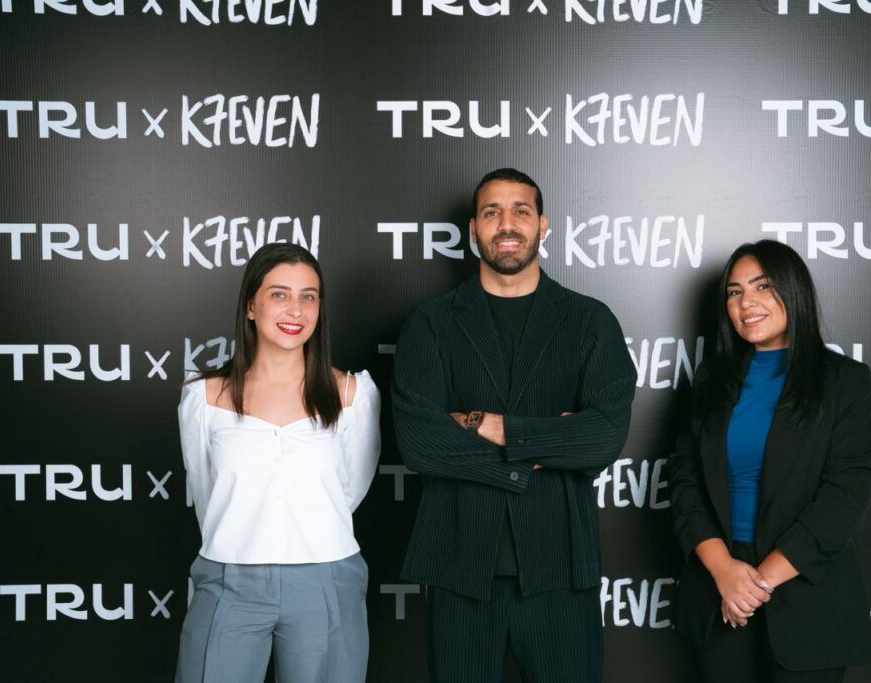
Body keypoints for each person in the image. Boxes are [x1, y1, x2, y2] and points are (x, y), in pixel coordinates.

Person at [392, 168, 636, 682]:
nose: (507, 224)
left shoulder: (590, 321)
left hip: (560, 569)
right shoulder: (431, 323)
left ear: (543, 225)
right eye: (492, 212)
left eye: (521, 211)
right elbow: (421, 443)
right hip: (459, 570)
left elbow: (602, 437)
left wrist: (487, 425)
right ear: (473, 229)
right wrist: (546, 445)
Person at [666, 239, 871, 683]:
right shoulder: (709, 380)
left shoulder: (845, 381)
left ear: (793, 291)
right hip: (719, 589)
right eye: (735, 291)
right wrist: (724, 571)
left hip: (804, 590)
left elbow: (845, 494)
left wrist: (758, 584)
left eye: (763, 286)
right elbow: (685, 481)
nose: (747, 302)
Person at [174, 243, 380, 683]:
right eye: (279, 294)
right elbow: (207, 494)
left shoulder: (353, 395)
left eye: (309, 296)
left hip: (327, 578)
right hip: (229, 579)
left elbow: (349, 489)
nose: (296, 310)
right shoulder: (203, 397)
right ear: (251, 306)